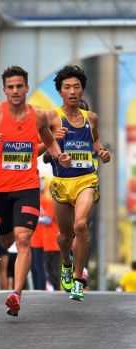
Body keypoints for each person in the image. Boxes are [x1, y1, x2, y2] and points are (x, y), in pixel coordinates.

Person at [0, 66, 70, 316]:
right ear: (4, 90)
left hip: (27, 187)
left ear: (27, 88)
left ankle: (16, 294)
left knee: (23, 240)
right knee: (7, 240)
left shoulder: (39, 117)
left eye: (19, 86)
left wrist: (59, 156)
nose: (15, 91)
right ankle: (15, 281)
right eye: (10, 87)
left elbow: (49, 139)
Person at [48, 65, 111, 301]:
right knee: (64, 237)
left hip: (86, 179)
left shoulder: (91, 118)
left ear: (82, 90)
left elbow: (97, 145)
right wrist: (54, 145)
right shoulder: (51, 117)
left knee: (81, 225)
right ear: (60, 92)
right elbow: (40, 152)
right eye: (67, 87)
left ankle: (77, 280)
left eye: (76, 87)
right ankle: (66, 262)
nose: (72, 91)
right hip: (62, 182)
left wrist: (104, 153)